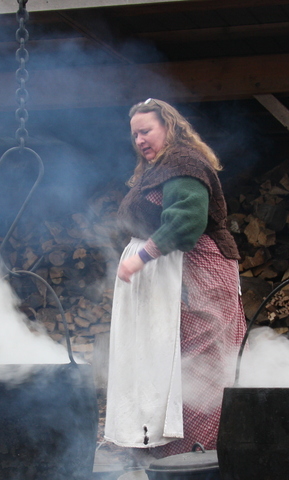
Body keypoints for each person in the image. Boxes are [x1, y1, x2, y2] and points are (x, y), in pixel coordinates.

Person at [104, 98, 246, 459]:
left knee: (202, 360)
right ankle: (160, 444)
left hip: (198, 272)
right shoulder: (156, 168)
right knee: (163, 357)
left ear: (170, 127)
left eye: (146, 130)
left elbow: (186, 221)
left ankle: (199, 454)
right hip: (170, 275)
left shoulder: (184, 163)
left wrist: (142, 258)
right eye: (134, 134)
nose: (139, 140)